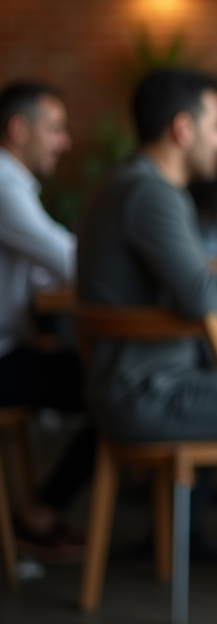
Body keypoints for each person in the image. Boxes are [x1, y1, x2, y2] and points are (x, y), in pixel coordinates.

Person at [76, 68, 217, 442]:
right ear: (182, 129)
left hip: (138, 386)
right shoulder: (150, 193)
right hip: (153, 393)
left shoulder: (129, 183)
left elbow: (200, 271)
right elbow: (198, 290)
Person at [0, 80, 92, 561]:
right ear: (18, 129)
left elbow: (40, 272)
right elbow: (73, 262)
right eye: (55, 128)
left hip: (12, 347)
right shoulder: (2, 183)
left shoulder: (13, 185)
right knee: (111, 390)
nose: (65, 140)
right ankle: (38, 517)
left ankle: (39, 513)